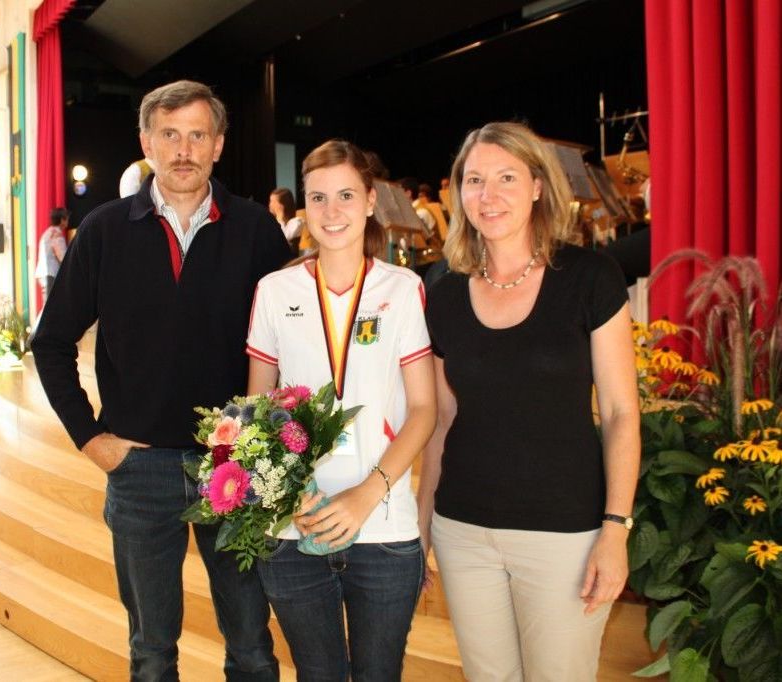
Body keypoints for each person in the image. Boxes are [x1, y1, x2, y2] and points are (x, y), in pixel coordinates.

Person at [31, 80, 290, 681]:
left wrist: (273, 446)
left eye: (197, 135)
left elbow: (290, 346)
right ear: (146, 142)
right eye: (169, 135)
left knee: (252, 646)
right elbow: (50, 342)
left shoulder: (254, 230)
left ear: (219, 145)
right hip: (139, 470)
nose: (183, 150)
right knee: (152, 653)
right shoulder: (103, 230)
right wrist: (91, 440)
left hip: (235, 469)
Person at [419, 121, 640, 681]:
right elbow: (443, 421)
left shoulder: (589, 277)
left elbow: (619, 412)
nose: (488, 196)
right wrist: (421, 530)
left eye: (506, 178)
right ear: (458, 192)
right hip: (463, 531)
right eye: (474, 181)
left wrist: (615, 529)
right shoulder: (444, 294)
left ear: (539, 186)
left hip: (565, 533)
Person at [247, 139, 437, 681]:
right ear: (304, 206)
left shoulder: (402, 289)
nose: (333, 212)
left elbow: (423, 409)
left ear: (371, 200)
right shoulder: (273, 289)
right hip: (295, 526)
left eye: (347, 195)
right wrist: (288, 491)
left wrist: (367, 493)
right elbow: (256, 412)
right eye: (319, 197)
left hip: (382, 526)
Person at [34, 207, 69, 302]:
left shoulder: (48, 232)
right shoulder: (56, 234)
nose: (68, 221)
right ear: (62, 220)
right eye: (67, 218)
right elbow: (62, 257)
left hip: (45, 272)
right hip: (50, 273)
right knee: (50, 307)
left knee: (48, 305)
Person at [268, 187, 304, 254]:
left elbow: (282, 238)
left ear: (282, 205)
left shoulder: (297, 222)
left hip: (289, 261)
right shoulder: (270, 221)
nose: (270, 205)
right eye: (270, 201)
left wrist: (279, 216)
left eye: (273, 202)